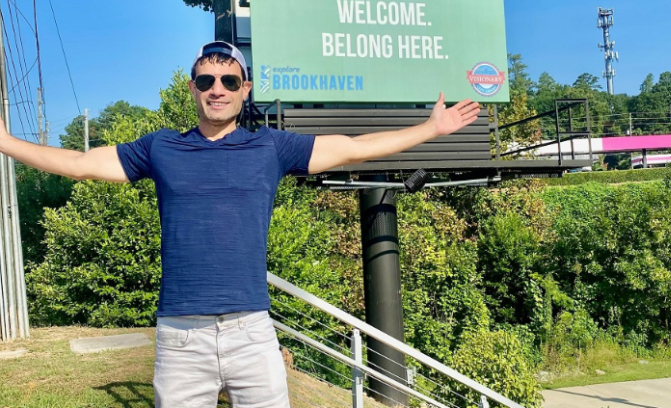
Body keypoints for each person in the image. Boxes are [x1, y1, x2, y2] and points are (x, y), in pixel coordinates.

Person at [0, 40, 480, 407]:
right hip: (180, 336)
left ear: (244, 89)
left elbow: (353, 148)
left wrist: (430, 129)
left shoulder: (271, 147)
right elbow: (81, 164)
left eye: (229, 81)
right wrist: (5, 142)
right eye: (206, 80)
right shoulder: (160, 147)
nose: (218, 89)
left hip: (251, 333)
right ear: (193, 87)